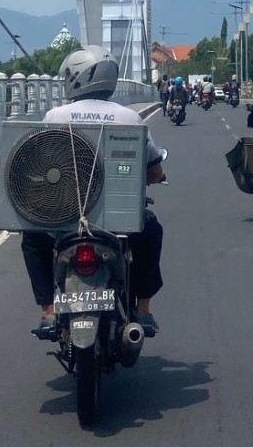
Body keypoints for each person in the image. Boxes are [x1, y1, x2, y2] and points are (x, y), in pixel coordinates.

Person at [21, 45, 168, 339]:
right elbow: (153, 170)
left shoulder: (54, 116)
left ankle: (48, 312)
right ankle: (143, 310)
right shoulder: (130, 118)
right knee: (151, 232)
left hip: (63, 215)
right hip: (118, 219)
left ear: (77, 78)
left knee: (33, 237)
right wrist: (157, 176)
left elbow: (38, 161)